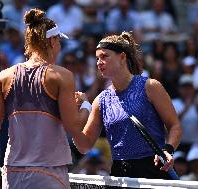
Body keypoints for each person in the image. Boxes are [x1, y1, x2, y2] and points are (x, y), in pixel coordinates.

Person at [0, 8, 91, 189]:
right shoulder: (62, 76)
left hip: (12, 174)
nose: (59, 47)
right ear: (52, 41)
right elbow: (74, 127)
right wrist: (86, 106)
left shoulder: (4, 76)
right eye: (59, 41)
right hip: (48, 174)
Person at [72, 31, 182, 179]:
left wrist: (168, 150)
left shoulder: (150, 86)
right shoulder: (101, 100)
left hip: (154, 170)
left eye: (104, 56)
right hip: (120, 174)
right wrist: (82, 108)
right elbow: (84, 146)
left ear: (122, 57)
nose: (99, 62)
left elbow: (175, 125)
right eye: (97, 58)